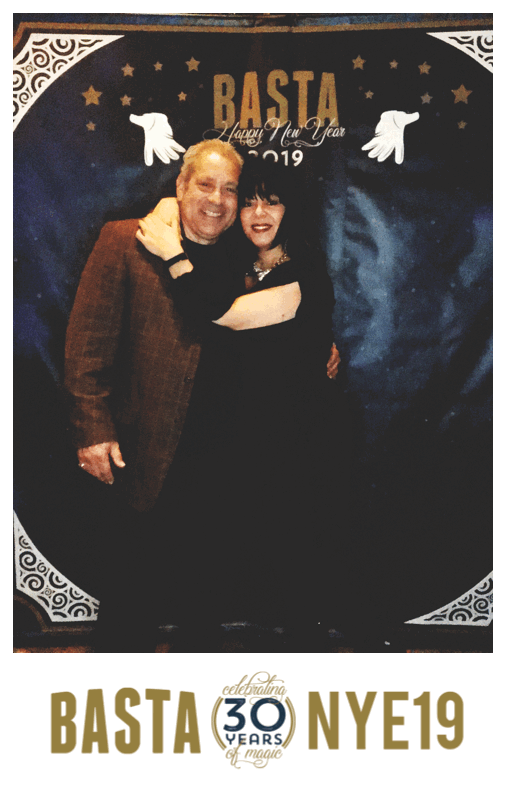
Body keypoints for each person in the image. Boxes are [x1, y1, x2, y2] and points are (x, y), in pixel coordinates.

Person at [65, 140, 340, 652]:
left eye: (230, 189)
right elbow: (88, 344)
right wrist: (92, 429)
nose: (217, 200)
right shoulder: (128, 239)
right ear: (180, 187)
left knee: (205, 604)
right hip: (146, 449)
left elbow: (269, 316)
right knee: (130, 599)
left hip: (226, 461)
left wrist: (317, 342)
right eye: (205, 185)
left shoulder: (241, 253)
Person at [137, 158, 349, 650]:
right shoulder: (237, 261)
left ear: (290, 210)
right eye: (248, 201)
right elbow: (169, 207)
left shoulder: (303, 269)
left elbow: (222, 315)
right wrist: (169, 207)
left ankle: (301, 661)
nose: (258, 213)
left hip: (293, 438)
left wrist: (174, 255)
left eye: (271, 202)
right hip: (237, 431)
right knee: (216, 546)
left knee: (292, 548)